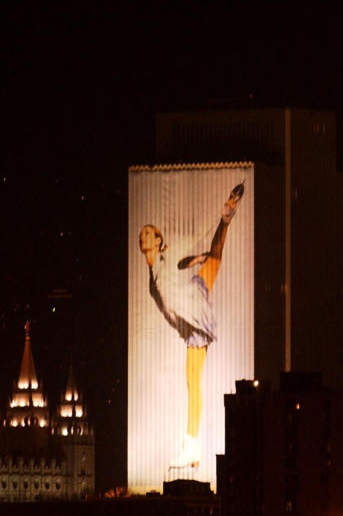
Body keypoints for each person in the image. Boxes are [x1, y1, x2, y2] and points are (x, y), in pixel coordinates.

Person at [139, 182, 244, 469]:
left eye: (148, 232)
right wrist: (196, 259)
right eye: (142, 235)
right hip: (191, 308)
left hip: (192, 302)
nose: (143, 236)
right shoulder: (155, 269)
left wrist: (195, 259)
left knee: (192, 382)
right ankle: (192, 446)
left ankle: (191, 444)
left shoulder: (162, 259)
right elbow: (186, 263)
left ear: (159, 240)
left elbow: (182, 263)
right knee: (192, 381)